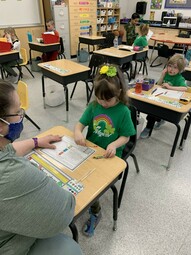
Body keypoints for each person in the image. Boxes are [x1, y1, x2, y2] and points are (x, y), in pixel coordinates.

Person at [0, 79, 83, 255]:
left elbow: (6, 150)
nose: (21, 116)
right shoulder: (12, 174)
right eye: (17, 112)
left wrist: (35, 141)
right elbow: (65, 209)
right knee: (70, 251)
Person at [74, 64, 136, 237]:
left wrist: (115, 144)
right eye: (100, 99)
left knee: (91, 182)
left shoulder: (123, 111)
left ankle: (95, 211)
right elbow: (80, 124)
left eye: (107, 100)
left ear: (118, 93)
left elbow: (126, 137)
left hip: (109, 156)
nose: (103, 103)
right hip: (90, 151)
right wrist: (78, 132)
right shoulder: (94, 106)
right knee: (77, 175)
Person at [140, 54, 187, 139]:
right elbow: (158, 84)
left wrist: (170, 87)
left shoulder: (179, 78)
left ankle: (158, 121)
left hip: (170, 103)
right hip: (160, 98)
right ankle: (149, 127)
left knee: (156, 113)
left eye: (175, 68)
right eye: (170, 66)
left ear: (180, 69)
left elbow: (184, 88)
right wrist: (162, 75)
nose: (171, 69)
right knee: (152, 110)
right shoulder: (166, 74)